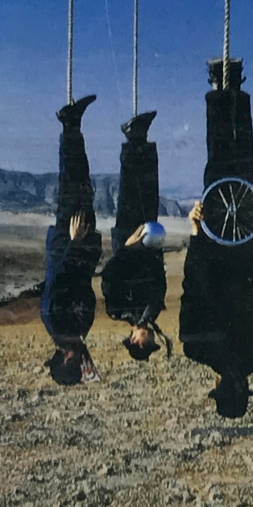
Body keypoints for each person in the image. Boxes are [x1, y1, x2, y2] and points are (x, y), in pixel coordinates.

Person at [179, 58, 253, 418]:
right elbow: (193, 285)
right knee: (219, 158)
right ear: (218, 385)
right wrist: (196, 233)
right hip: (215, 237)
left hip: (248, 234)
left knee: (243, 158)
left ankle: (234, 84)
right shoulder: (196, 347)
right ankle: (218, 84)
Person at [41, 94, 103, 386]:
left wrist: (75, 241)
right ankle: (73, 123)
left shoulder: (55, 322)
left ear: (68, 359)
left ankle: (69, 124)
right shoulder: (76, 331)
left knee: (71, 186)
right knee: (84, 186)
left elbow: (60, 275)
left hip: (69, 242)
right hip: (80, 246)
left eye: (78, 364)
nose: (84, 360)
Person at [100, 109, 171, 361]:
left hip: (128, 238)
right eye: (153, 343)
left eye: (145, 343)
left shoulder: (117, 310)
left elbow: (109, 275)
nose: (151, 339)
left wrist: (127, 247)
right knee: (150, 189)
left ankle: (132, 138)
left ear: (133, 339)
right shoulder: (153, 311)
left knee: (130, 189)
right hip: (149, 241)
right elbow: (159, 280)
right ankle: (142, 134)